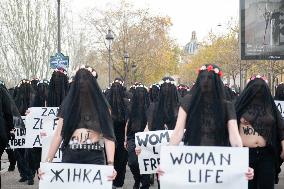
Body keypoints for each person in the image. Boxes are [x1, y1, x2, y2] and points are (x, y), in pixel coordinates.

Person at [163, 64, 253, 179]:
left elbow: (234, 136)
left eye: (210, 78)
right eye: (202, 78)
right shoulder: (188, 102)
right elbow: (178, 132)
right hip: (193, 159)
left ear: (216, 82)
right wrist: (167, 161)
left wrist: (242, 164)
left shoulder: (227, 106)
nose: (205, 81)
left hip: (219, 161)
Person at [40, 66, 117, 180]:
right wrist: (47, 163)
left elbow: (108, 137)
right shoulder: (68, 106)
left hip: (89, 158)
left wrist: (110, 165)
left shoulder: (101, 107)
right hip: (76, 157)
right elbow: (58, 135)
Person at [235, 75, 284, 189]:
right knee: (247, 186)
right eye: (255, 87)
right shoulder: (240, 106)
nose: (258, 90)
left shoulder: (270, 107)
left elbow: (280, 126)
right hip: (245, 154)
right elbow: (230, 127)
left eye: (261, 87)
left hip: (266, 154)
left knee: (266, 185)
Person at [124, 84, 150, 189]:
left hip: (146, 138)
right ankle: (137, 178)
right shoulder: (130, 108)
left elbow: (150, 122)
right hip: (132, 137)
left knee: (146, 162)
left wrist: (144, 134)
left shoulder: (149, 107)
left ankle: (145, 183)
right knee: (132, 162)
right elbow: (127, 123)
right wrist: (125, 139)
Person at [107, 78, 129, 188]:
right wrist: (126, 138)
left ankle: (109, 182)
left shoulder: (106, 102)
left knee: (109, 158)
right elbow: (127, 122)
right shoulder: (126, 102)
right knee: (121, 162)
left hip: (109, 135)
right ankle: (118, 183)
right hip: (121, 137)